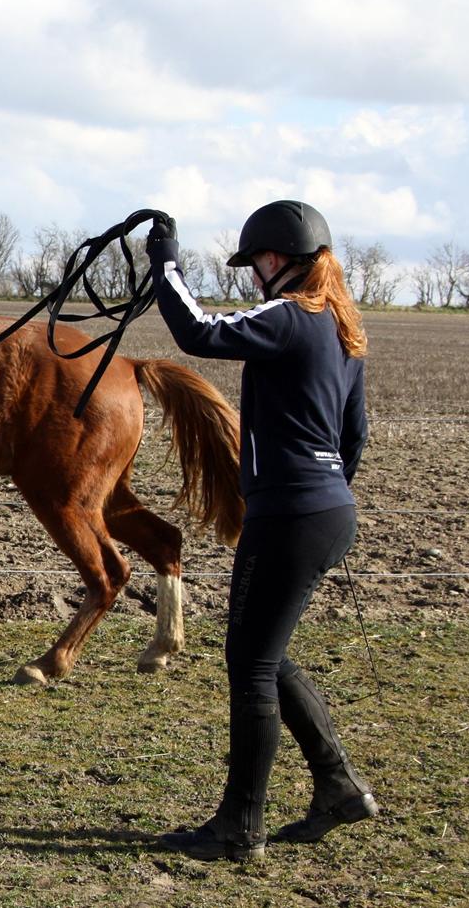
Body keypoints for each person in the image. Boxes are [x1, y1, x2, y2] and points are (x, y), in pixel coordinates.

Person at [144, 200, 378, 861]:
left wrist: (165, 262)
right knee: (265, 655)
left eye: (255, 263)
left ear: (277, 260)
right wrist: (322, 492)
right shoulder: (343, 331)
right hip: (327, 511)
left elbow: (198, 332)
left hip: (290, 515)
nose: (253, 276)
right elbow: (355, 436)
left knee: (249, 664)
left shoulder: (290, 316)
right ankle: (337, 786)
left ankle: (240, 827)